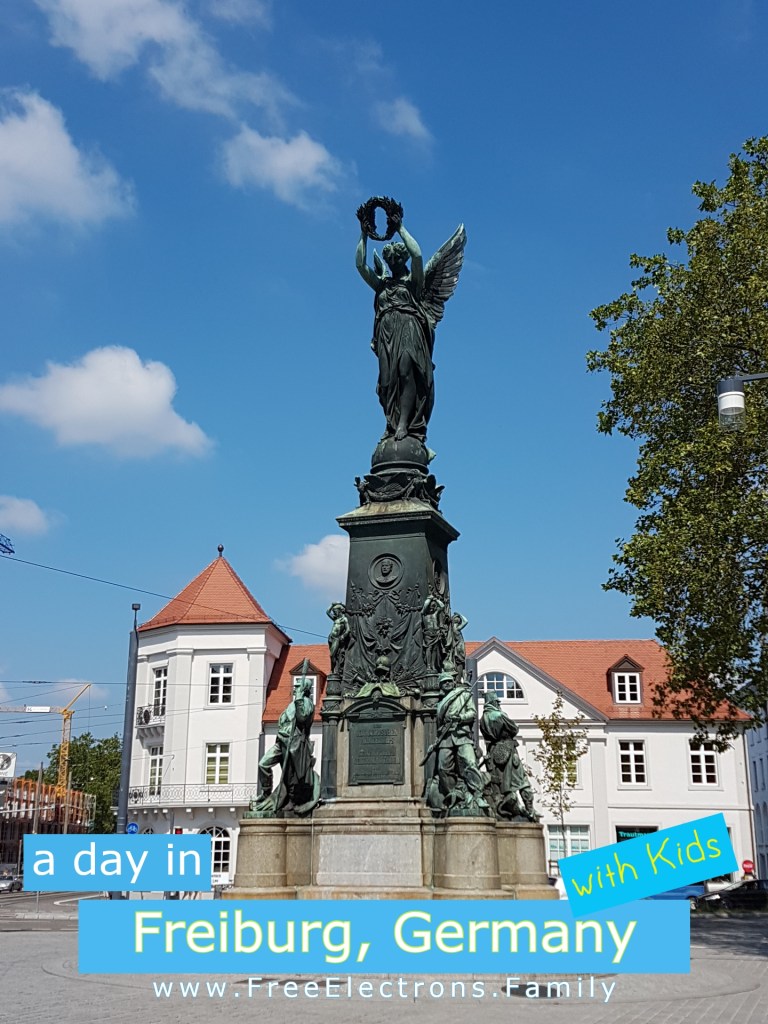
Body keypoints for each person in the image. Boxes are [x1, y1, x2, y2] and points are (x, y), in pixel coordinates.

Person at [356, 211, 434, 442]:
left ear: (403, 260)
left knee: (406, 372)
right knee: (387, 382)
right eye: (390, 261)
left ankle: (403, 426)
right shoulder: (382, 286)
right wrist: (364, 233)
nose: (393, 264)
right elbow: (360, 265)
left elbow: (418, 255)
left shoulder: (413, 284)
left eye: (397, 259)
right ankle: (392, 423)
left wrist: (400, 228)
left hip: (409, 330)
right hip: (386, 333)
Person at [255, 672, 319, 817]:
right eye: (295, 686)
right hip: (282, 740)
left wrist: (299, 700)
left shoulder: (307, 703)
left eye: (298, 687)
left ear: (305, 689)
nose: (295, 689)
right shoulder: (293, 703)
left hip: (294, 745)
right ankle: (266, 792)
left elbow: (302, 718)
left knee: (290, 776)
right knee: (263, 764)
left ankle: (291, 800)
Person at [425, 671, 488, 815]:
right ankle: (456, 794)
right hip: (446, 737)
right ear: (440, 685)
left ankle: (478, 796)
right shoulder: (440, 703)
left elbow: (472, 713)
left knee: (470, 764)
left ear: (453, 683)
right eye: (444, 682)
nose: (447, 683)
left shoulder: (463, 695)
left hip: (461, 736)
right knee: (442, 768)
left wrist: (460, 718)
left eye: (449, 681)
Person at [480, 690, 538, 821]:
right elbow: (514, 729)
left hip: (495, 753)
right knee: (522, 782)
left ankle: (506, 807)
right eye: (497, 702)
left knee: (501, 785)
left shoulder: (483, 719)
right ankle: (530, 811)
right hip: (509, 751)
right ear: (494, 702)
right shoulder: (499, 715)